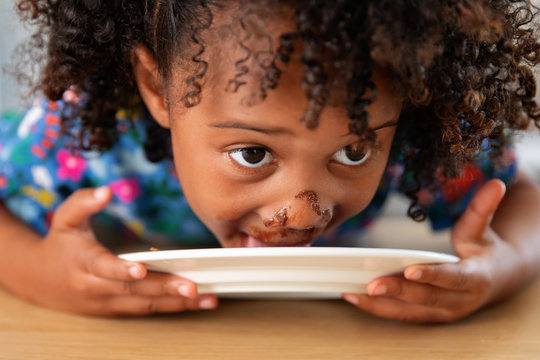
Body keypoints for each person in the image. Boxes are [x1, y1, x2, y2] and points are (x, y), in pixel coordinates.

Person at [0, 0, 539, 322]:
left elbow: (524, 198)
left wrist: (502, 267)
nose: (302, 214)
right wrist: (37, 273)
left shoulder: (409, 144)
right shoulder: (85, 131)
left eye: (353, 152)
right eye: (252, 153)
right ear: (157, 89)